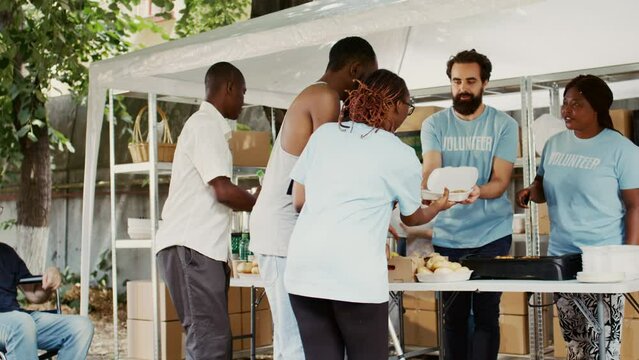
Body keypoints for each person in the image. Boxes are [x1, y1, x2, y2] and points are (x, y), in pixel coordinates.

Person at [284, 69, 454, 360]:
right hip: (353, 275)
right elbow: (411, 218)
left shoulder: (324, 135)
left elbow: (300, 201)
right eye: (408, 107)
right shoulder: (398, 153)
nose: (406, 116)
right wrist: (438, 206)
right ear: (396, 105)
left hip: (304, 271)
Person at [248, 36, 377, 359]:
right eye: (368, 81)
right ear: (355, 69)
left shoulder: (320, 96)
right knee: (294, 340)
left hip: (293, 231)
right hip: (281, 231)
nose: (366, 93)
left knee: (308, 339)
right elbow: (328, 165)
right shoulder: (324, 96)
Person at [516, 74, 639, 359]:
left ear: (597, 108)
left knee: (602, 347)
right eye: (565, 103)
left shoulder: (623, 150)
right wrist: (531, 192)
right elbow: (542, 185)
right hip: (561, 257)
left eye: (577, 104)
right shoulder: (554, 144)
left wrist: (630, 257)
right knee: (575, 344)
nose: (566, 111)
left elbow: (635, 206)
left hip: (603, 261)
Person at [420, 49, 519, 360]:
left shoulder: (503, 124)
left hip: (492, 233)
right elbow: (430, 173)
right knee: (454, 316)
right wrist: (436, 194)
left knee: (487, 314)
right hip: (448, 234)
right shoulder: (433, 124)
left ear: (485, 83)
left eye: (471, 81)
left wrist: (480, 190)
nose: (463, 88)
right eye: (456, 81)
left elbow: (501, 180)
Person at [155, 62, 258, 360]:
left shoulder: (207, 127)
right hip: (191, 247)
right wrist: (260, 203)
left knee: (211, 340)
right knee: (210, 343)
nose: (243, 100)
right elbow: (223, 190)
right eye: (242, 92)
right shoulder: (205, 125)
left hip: (198, 250)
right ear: (228, 87)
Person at [0, 242, 94, 360]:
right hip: (17, 323)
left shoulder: (6, 252)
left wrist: (51, 278)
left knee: (81, 327)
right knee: (22, 323)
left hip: (18, 319)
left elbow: (34, 294)